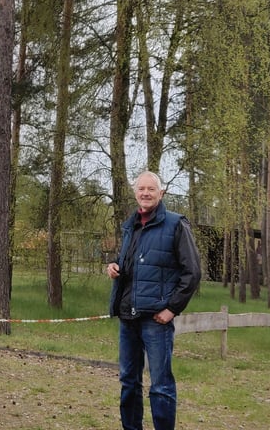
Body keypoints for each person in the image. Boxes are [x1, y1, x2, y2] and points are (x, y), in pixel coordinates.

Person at [106, 171, 201, 430]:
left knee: (161, 386)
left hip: (156, 321)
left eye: (151, 189)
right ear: (135, 192)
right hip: (128, 318)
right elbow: (127, 261)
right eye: (141, 189)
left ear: (161, 193)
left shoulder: (175, 224)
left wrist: (172, 308)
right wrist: (114, 265)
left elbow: (192, 272)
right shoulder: (131, 226)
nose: (145, 193)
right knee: (128, 382)